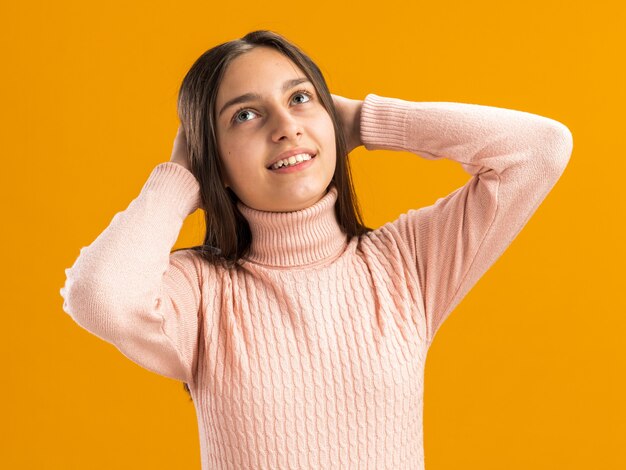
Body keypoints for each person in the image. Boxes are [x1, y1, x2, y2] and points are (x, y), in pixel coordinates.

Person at [60, 30, 573, 470]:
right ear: (208, 155)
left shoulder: (406, 263)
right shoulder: (199, 291)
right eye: (244, 115)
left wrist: (365, 121)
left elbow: (539, 149)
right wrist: (178, 178)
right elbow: (100, 295)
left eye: (301, 99)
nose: (285, 126)